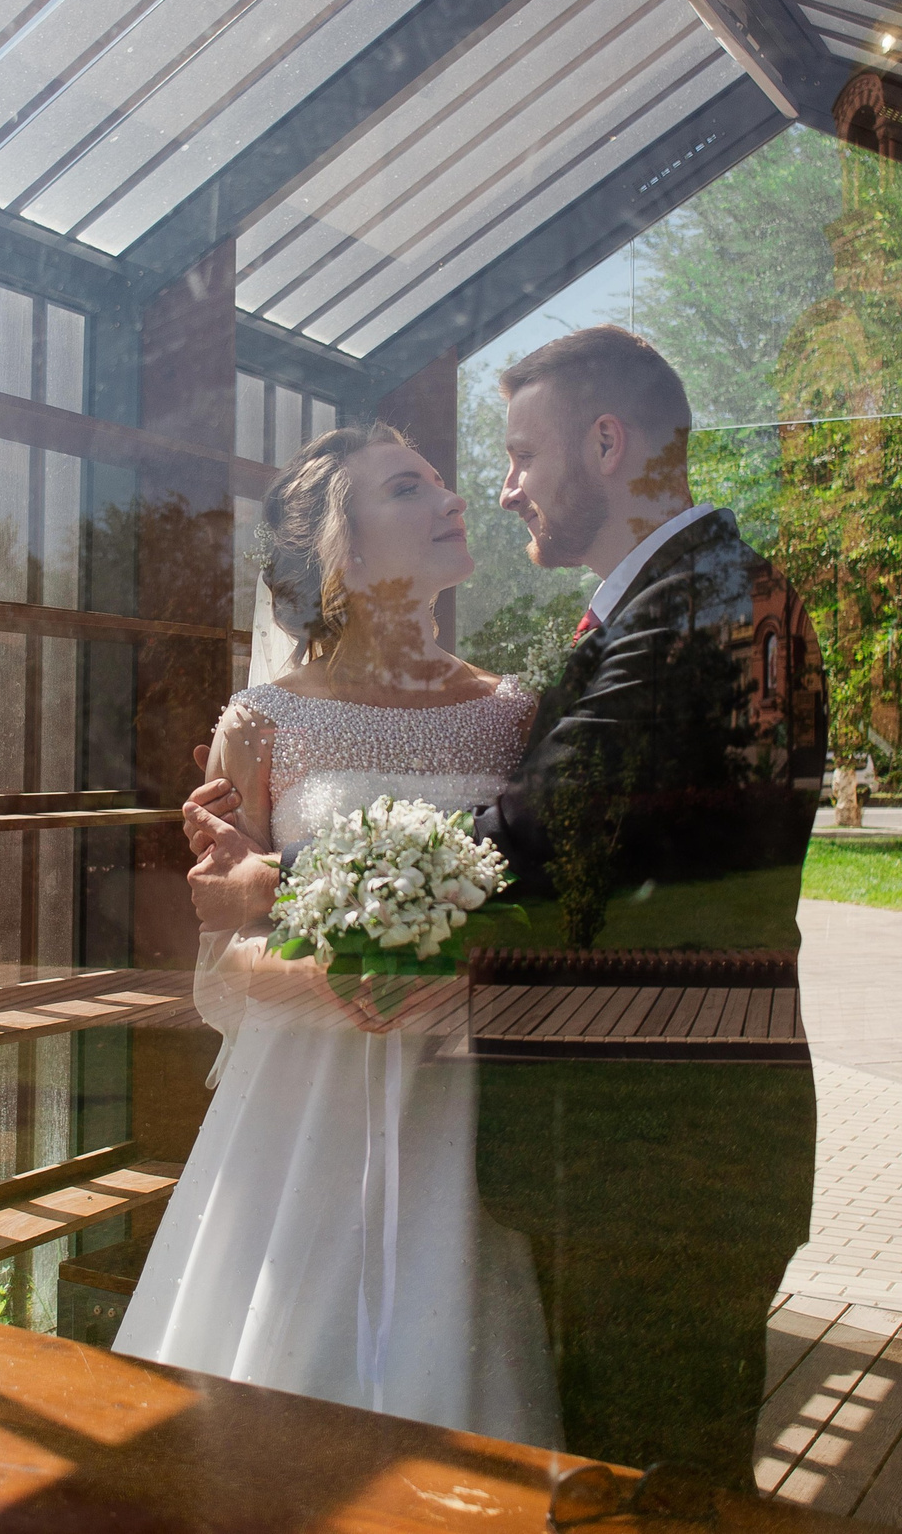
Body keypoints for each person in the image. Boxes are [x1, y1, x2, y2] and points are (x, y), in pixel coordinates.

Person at [183, 327, 827, 1500]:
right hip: (490, 1123)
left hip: (648, 1142)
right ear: (335, 546)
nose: (493, 487)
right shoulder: (684, 600)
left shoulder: (686, 613)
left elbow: (532, 849)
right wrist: (265, 921)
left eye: (516, 452)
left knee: (643, 1475)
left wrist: (274, 890)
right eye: (414, 481)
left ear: (605, 442)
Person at [111, 423, 563, 1451]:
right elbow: (223, 965)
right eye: (409, 487)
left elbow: (544, 901)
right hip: (299, 1109)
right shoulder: (261, 723)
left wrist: (460, 968)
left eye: (443, 481)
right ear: (347, 556)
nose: (453, 499)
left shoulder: (511, 716)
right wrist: (334, 978)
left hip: (463, 1097)